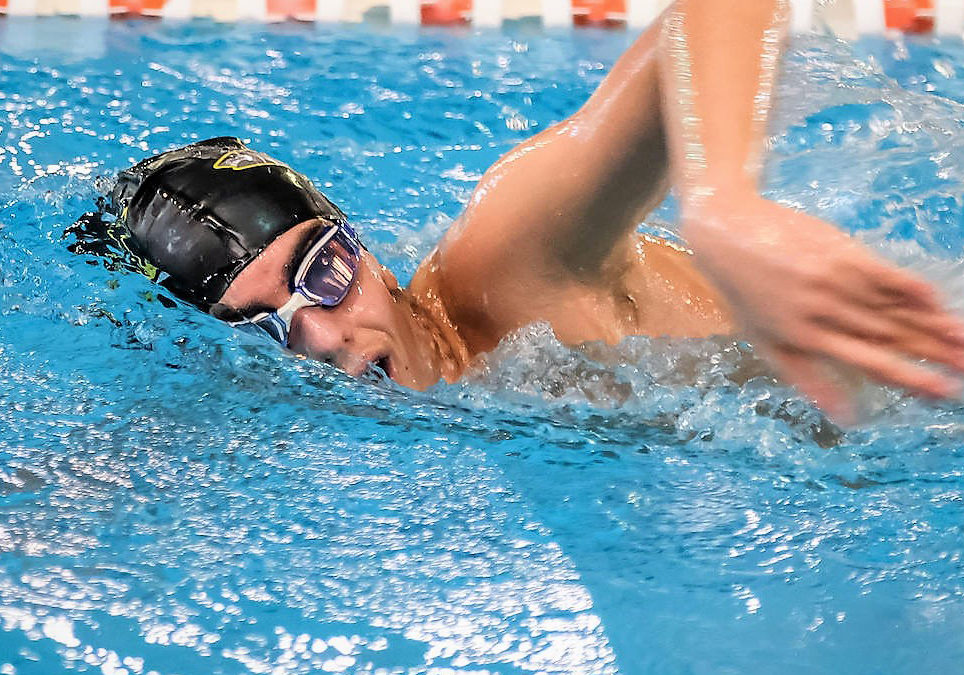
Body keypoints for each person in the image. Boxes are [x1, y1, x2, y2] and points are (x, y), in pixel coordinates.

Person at [98, 0, 964, 424]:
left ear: (367, 254)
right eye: (266, 328)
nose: (325, 340)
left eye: (321, 273)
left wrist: (725, 207)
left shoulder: (508, 264)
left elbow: (717, 11)